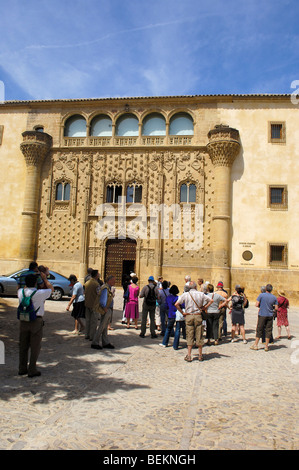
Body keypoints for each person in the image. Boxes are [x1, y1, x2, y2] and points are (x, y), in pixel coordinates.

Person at [18, 272, 54, 377]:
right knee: (35, 346)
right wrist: (44, 279)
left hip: (23, 320)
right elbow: (51, 289)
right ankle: (32, 369)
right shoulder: (39, 293)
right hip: (36, 321)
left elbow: (25, 287)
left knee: (23, 345)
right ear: (35, 283)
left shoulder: (20, 292)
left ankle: (22, 368)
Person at [175, 281, 212, 362]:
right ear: (196, 287)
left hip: (188, 316)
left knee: (190, 335)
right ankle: (200, 355)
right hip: (198, 315)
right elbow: (211, 301)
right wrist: (204, 308)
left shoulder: (185, 294)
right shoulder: (201, 294)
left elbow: (176, 304)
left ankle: (189, 355)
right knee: (199, 335)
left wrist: (182, 312)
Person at [251, 284, 278, 352]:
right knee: (268, 330)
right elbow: (276, 308)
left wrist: (261, 306)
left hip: (262, 314)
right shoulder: (274, 297)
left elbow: (257, 304)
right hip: (270, 315)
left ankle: (256, 345)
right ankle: (266, 346)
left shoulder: (261, 295)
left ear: (266, 289)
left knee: (259, 329)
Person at [91, 275, 116, 350]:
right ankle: (95, 342)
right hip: (106, 309)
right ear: (109, 281)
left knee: (105, 327)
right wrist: (105, 309)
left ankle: (105, 342)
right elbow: (102, 300)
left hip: (108, 309)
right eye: (113, 280)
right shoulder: (105, 288)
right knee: (102, 326)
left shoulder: (107, 288)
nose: (115, 282)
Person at [160, 285, 185, 350]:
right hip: (177, 315)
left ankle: (165, 343)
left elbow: (166, 306)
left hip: (171, 314)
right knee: (178, 330)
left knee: (168, 329)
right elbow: (182, 305)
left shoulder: (168, 298)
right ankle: (175, 345)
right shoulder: (178, 298)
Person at [84, 269, 100, 341]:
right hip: (94, 305)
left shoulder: (87, 283)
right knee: (94, 321)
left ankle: (86, 334)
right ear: (96, 275)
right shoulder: (96, 284)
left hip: (87, 303)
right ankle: (92, 336)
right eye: (98, 274)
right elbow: (99, 294)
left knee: (87, 320)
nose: (99, 274)